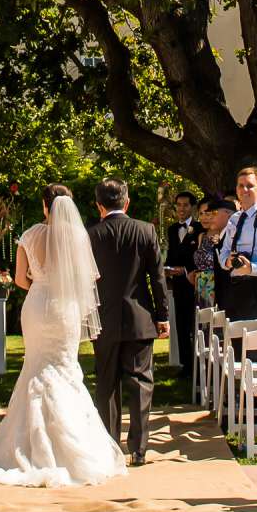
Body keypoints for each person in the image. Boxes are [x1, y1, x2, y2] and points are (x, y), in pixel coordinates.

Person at [0, 191, 128, 486]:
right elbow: (87, 280)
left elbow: (19, 279)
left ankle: (27, 448)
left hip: (38, 305)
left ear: (44, 205)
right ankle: (78, 448)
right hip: (66, 308)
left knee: (36, 367)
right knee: (66, 369)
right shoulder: (78, 237)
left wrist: (41, 286)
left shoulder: (30, 235)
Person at [88, 178, 170, 464]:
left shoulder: (90, 235)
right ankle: (138, 448)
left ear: (99, 206)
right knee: (140, 382)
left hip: (103, 318)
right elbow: (157, 278)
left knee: (106, 382)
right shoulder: (145, 230)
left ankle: (110, 445)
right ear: (127, 202)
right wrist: (163, 316)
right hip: (140, 316)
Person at [217, 167, 257, 320]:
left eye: (250, 186)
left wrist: (252, 267)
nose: (244, 190)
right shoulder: (233, 219)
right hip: (234, 289)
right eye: (240, 185)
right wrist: (228, 261)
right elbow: (223, 251)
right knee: (236, 343)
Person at [163, 190, 203, 370]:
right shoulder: (172, 229)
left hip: (194, 282)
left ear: (192, 207)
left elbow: (200, 258)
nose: (181, 209)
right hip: (178, 284)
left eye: (185, 205)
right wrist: (167, 269)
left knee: (195, 324)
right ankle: (185, 365)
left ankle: (198, 364)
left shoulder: (200, 228)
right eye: (178, 205)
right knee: (180, 324)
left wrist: (186, 270)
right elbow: (171, 254)